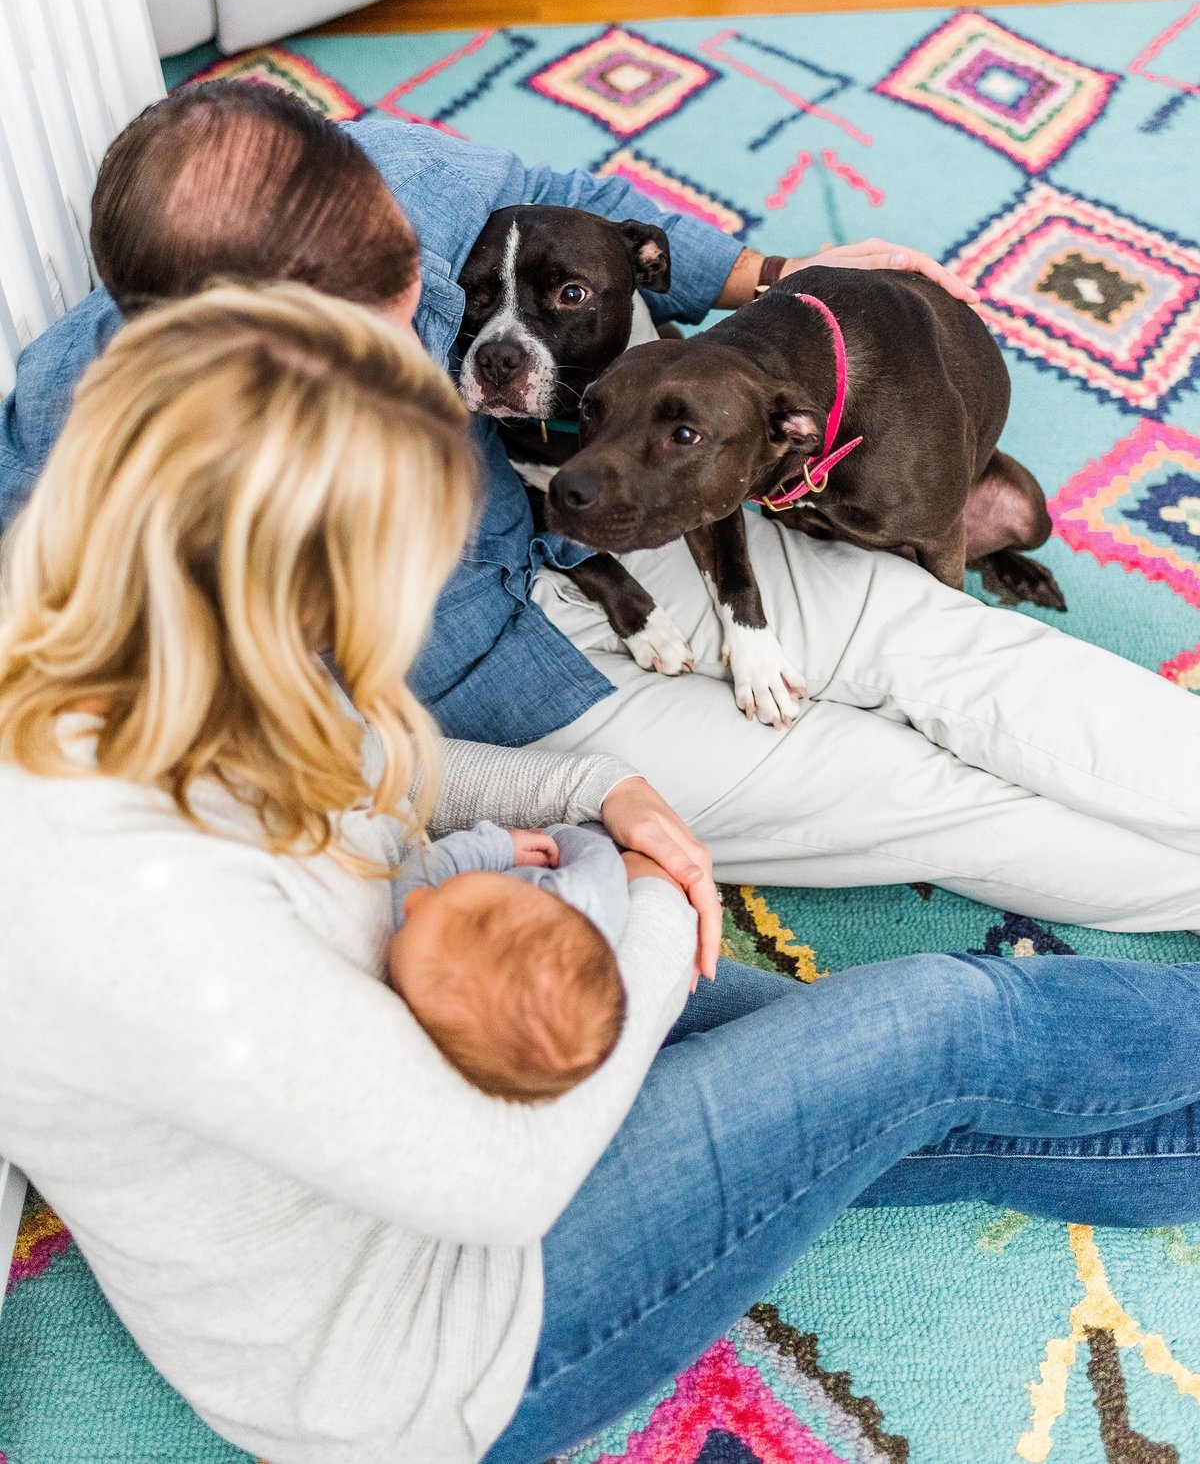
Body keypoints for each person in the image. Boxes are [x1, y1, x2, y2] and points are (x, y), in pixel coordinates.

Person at [4, 283, 1200, 1464]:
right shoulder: (118, 901)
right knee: (944, 1020)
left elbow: (368, 758)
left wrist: (595, 794)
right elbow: (498, 1180)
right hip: (442, 1338)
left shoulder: (135, 657)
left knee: (873, 1089)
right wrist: (633, 906)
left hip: (426, 1019)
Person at [4, 83, 1200, 935]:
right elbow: (205, 731)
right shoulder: (94, 468)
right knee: (922, 797)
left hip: (622, 511)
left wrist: (770, 275)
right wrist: (539, 795)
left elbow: (557, 198)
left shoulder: (370, 181)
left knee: (952, 643)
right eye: (372, 337)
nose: (442, 342)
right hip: (502, 691)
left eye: (424, 290)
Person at [387, 821, 630, 1101]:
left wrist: (500, 846)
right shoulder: (587, 893)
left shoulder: (422, 955)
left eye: (406, 925)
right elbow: (596, 849)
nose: (410, 899)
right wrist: (554, 835)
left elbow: (420, 874)